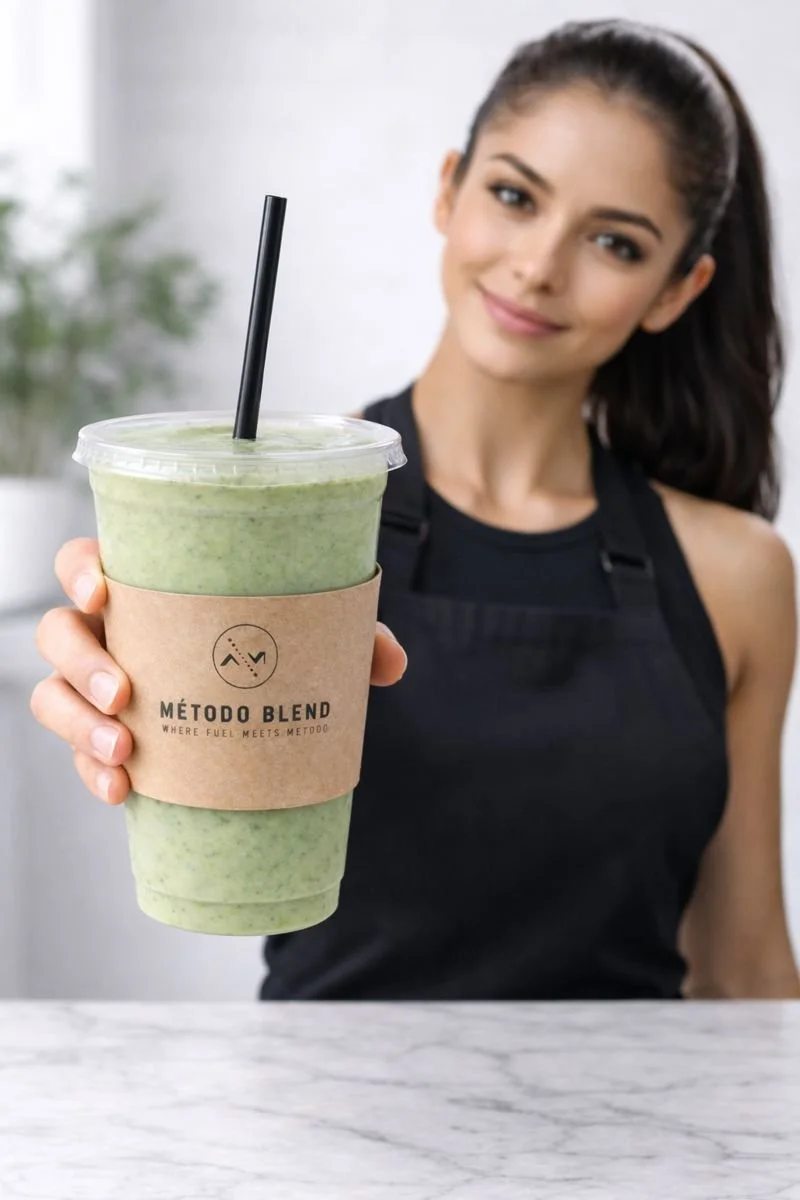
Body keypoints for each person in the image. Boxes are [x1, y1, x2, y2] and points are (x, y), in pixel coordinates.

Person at [31, 19, 800, 1001]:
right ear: (448, 188)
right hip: (320, 1131)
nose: (536, 265)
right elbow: (186, 756)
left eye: (613, 241)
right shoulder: (282, 516)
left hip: (630, 1142)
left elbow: (744, 970)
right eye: (513, 196)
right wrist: (122, 703)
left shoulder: (735, 575)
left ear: (674, 290)